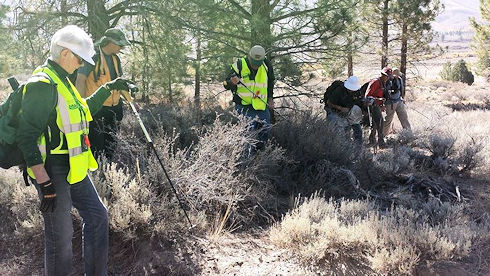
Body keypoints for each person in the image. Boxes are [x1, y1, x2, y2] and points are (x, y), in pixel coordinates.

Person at [16, 25, 133, 276]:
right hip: (52, 170)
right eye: (79, 58)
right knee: (60, 237)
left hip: (74, 167)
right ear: (65, 53)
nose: (81, 64)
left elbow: (84, 110)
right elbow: (25, 137)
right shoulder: (42, 83)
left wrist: (110, 87)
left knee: (98, 216)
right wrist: (44, 183)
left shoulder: (64, 82)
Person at [76, 28, 130, 160]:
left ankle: (107, 173)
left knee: (110, 146)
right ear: (110, 42)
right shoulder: (92, 57)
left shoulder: (116, 59)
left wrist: (129, 96)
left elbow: (119, 82)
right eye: (120, 44)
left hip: (114, 109)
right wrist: (83, 106)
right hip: (96, 109)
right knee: (96, 148)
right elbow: (80, 80)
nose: (122, 47)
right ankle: (97, 176)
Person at [223, 45, 275, 154]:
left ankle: (260, 158)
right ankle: (246, 163)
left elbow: (270, 82)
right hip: (243, 107)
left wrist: (270, 98)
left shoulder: (266, 65)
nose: (256, 66)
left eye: (258, 64)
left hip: (261, 107)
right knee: (246, 138)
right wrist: (232, 82)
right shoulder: (239, 65)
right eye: (254, 64)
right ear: (249, 58)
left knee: (264, 133)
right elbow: (226, 84)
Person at [326, 76, 364, 146]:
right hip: (333, 109)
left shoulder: (357, 92)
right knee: (336, 127)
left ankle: (358, 149)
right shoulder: (339, 90)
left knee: (356, 128)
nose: (351, 90)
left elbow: (358, 102)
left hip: (348, 111)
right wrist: (340, 108)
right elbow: (329, 102)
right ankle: (335, 145)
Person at [365, 67, 391, 148]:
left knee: (376, 124)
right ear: (382, 75)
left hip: (377, 105)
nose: (387, 78)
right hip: (372, 105)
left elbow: (381, 95)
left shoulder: (383, 82)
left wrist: (381, 105)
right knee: (379, 123)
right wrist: (378, 100)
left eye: (388, 76)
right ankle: (380, 143)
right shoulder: (375, 82)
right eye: (386, 76)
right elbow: (367, 96)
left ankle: (372, 141)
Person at [382, 68, 411, 136]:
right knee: (388, 120)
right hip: (390, 103)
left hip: (399, 101)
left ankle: (409, 134)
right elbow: (385, 92)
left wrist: (402, 98)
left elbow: (401, 89)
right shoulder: (388, 81)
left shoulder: (400, 79)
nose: (398, 76)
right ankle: (383, 136)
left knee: (404, 118)